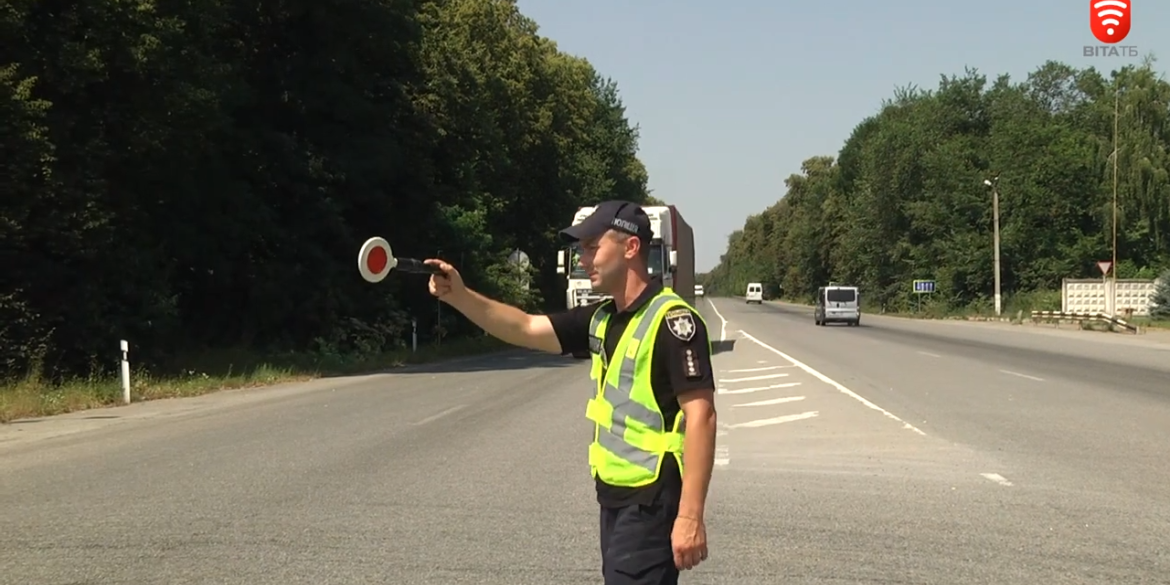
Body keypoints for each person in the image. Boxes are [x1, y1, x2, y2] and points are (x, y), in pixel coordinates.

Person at [425, 200, 718, 584]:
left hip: (652, 499)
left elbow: (702, 416)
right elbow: (526, 328)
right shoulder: (602, 317)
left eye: (593, 246)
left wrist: (690, 515)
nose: (584, 257)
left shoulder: (674, 322)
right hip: (614, 496)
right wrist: (459, 296)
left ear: (630, 248)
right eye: (581, 248)